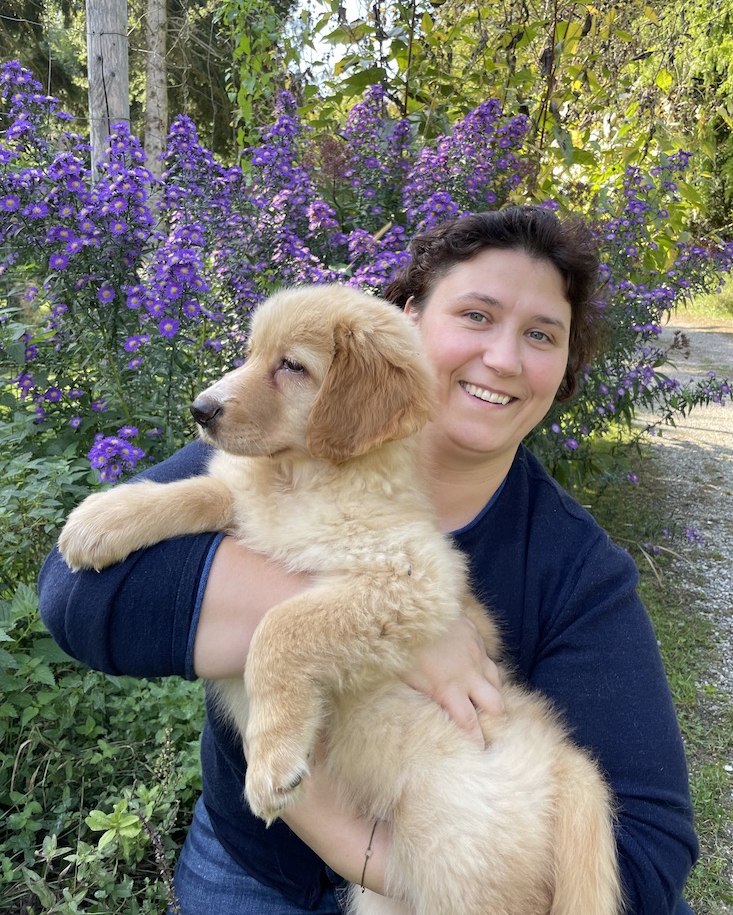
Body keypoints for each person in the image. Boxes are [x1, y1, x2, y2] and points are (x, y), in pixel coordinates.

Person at [38, 206, 698, 915]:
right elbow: (78, 593)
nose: (504, 358)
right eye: (476, 315)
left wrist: (372, 858)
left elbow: (648, 854)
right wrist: (403, 629)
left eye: (541, 334)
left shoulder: (577, 566)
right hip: (249, 867)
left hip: (435, 863)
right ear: (409, 319)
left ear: (564, 368)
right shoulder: (267, 453)